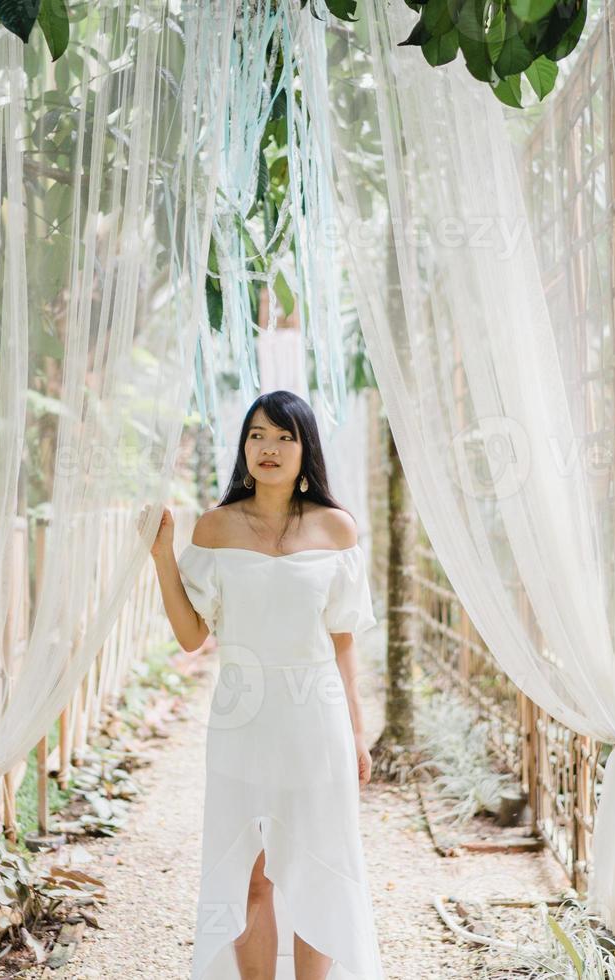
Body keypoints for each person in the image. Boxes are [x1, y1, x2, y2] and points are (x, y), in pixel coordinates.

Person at [148, 389, 386, 980]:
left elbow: (344, 641)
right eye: (257, 435)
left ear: (306, 449)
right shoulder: (215, 526)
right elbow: (190, 635)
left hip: (317, 716)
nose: (269, 448)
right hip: (242, 716)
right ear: (243, 447)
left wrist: (357, 733)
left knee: (317, 870)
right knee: (250, 875)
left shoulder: (337, 529)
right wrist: (161, 558)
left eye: (285, 436)